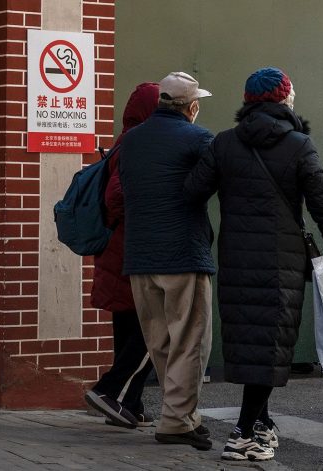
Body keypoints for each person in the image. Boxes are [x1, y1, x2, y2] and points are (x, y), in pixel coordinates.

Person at [184, 67, 323, 461]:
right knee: (271, 343)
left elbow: (192, 191)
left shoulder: (224, 144)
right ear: (284, 100)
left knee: (252, 342)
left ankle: (261, 423)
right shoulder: (299, 146)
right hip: (281, 262)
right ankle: (243, 434)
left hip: (237, 258)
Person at [118, 72, 215, 450]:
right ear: (191, 107)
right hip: (183, 254)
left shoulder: (132, 140)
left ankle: (182, 415)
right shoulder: (199, 138)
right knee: (190, 340)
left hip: (140, 256)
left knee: (159, 340)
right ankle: (177, 420)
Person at [84, 83, 159, 429]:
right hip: (130, 254)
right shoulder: (134, 145)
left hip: (119, 254)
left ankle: (129, 404)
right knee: (152, 331)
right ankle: (110, 393)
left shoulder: (124, 142)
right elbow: (117, 198)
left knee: (129, 330)